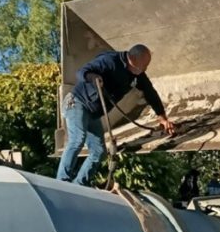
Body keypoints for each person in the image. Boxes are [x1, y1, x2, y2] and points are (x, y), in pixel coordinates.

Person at [57, 45, 177, 186]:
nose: (145, 70)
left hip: (93, 114)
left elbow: (150, 93)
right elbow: (81, 72)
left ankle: (79, 185)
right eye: (144, 66)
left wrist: (162, 118)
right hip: (76, 103)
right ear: (133, 59)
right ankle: (61, 183)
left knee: (99, 152)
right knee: (78, 139)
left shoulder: (138, 75)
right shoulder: (109, 60)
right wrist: (93, 77)